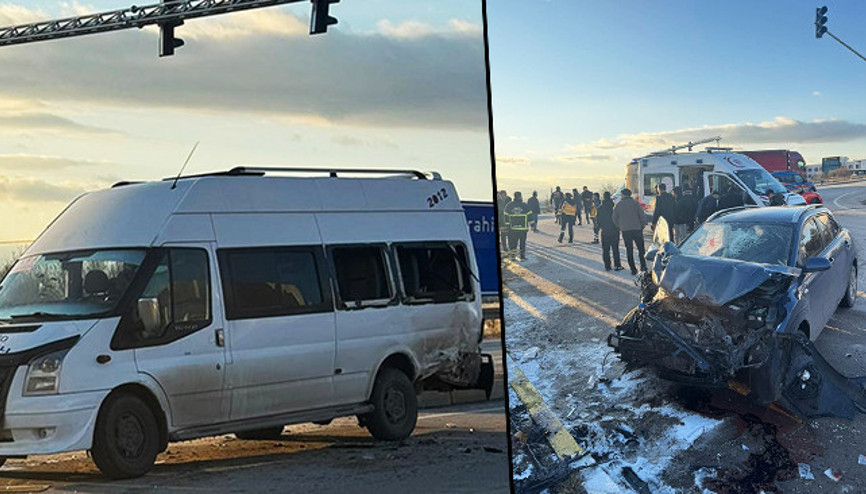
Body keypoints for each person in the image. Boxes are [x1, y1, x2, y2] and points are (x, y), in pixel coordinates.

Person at [613, 188, 647, 275]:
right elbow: (641, 215)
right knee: (641, 249)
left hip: (625, 230)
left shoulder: (618, 205)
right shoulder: (635, 203)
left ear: (623, 195)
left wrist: (620, 226)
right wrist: (642, 225)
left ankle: (633, 268)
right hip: (637, 229)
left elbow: (614, 218)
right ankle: (643, 266)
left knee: (629, 249)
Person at [596, 191, 623, 271]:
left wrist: (600, 227)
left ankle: (607, 265)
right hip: (614, 230)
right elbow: (618, 218)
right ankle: (617, 265)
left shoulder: (600, 208)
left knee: (605, 250)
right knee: (615, 249)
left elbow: (598, 220)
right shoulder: (614, 208)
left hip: (605, 231)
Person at [504, 192, 533, 260]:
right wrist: (532, 225)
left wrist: (507, 226)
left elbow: (506, 216)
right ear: (520, 196)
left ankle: (512, 256)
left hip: (512, 228)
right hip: (523, 228)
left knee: (513, 243)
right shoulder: (525, 205)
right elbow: (530, 216)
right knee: (522, 243)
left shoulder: (509, 205)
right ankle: (522, 256)